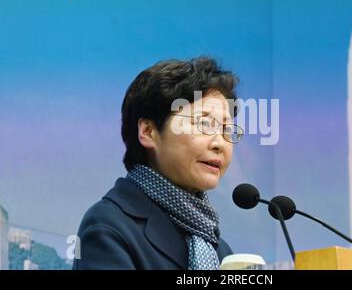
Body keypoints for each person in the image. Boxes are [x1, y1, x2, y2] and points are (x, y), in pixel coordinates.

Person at [72, 57, 243, 270]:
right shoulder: (108, 227)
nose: (220, 143)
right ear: (148, 132)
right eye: (204, 124)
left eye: (227, 130)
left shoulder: (220, 252)